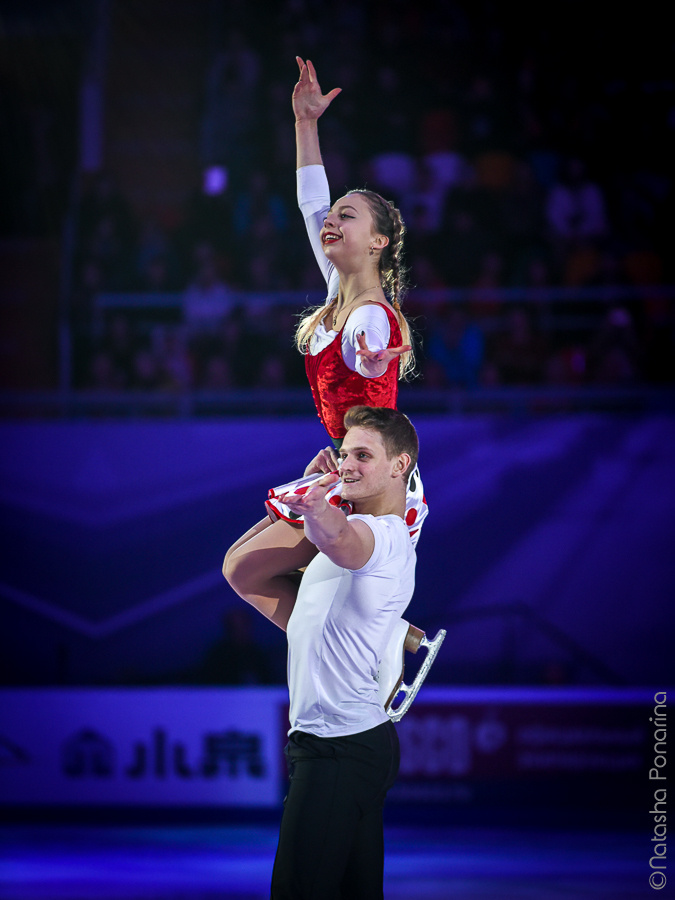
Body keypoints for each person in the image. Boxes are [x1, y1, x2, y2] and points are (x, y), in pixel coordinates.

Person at [228, 58, 443, 712]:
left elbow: (371, 351)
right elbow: (309, 200)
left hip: (371, 478)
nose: (332, 223)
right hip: (346, 462)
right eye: (334, 218)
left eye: (348, 219)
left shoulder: (372, 316)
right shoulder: (334, 296)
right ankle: (382, 648)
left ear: (376, 241)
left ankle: (372, 657)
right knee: (243, 569)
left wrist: (375, 357)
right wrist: (303, 122)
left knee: (246, 571)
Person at [224, 406, 418, 899]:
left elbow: (340, 537)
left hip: (339, 749)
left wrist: (319, 506)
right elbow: (240, 570)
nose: (348, 464)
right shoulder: (333, 556)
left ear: (400, 466)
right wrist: (301, 504)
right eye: (345, 453)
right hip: (342, 744)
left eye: (364, 456)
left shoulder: (386, 539)